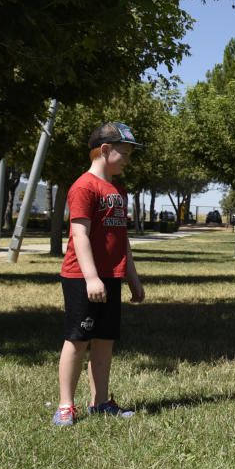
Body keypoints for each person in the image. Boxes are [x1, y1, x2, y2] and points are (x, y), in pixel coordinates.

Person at [52, 122, 145, 426]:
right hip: (82, 277)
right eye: (125, 153)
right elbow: (80, 235)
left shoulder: (118, 190)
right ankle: (66, 404)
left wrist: (131, 275)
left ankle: (100, 401)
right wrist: (91, 277)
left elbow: (121, 238)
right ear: (105, 150)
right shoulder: (84, 187)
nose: (128, 160)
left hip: (111, 276)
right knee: (78, 339)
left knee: (105, 341)